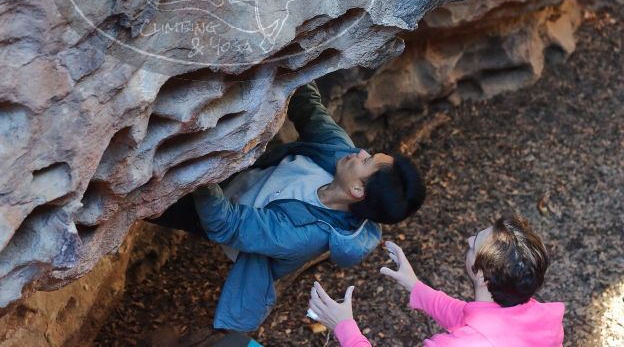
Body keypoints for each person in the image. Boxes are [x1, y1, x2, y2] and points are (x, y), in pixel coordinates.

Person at [147, 80, 426, 332]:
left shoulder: (303, 234)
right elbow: (310, 110)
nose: (360, 152)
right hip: (242, 176)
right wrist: (295, 63)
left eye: (367, 161)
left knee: (149, 198)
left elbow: (226, 223)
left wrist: (203, 167)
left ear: (357, 190)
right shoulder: (340, 154)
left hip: (214, 215)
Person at [309, 214, 565, 346]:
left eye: (473, 244)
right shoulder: (544, 321)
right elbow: (469, 316)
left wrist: (344, 327)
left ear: (482, 276)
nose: (467, 241)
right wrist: (416, 287)